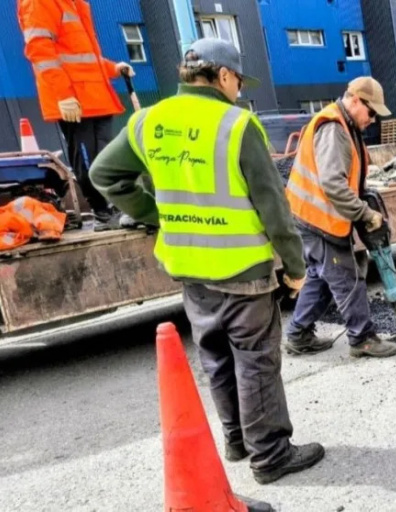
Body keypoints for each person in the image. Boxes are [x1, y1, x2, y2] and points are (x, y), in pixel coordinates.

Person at [88, 38, 324, 485]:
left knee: (217, 357)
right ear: (223, 76)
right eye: (238, 81)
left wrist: (156, 214)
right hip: (242, 269)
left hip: (189, 269)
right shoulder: (237, 125)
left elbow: (103, 175)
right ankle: (270, 455)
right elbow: (274, 208)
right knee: (255, 361)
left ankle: (237, 440)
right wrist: (296, 268)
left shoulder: (147, 121)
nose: (239, 89)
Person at [283, 77, 396, 358]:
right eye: (371, 112)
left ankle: (298, 335)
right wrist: (365, 213)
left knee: (321, 277)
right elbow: (333, 184)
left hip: (312, 215)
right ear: (356, 100)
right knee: (348, 277)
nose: (372, 119)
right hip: (318, 219)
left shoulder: (346, 125)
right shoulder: (334, 128)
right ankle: (362, 339)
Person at [17, 0, 134, 230]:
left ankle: (117, 207)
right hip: (75, 101)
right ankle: (103, 212)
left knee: (107, 157)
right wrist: (63, 94)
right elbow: (40, 51)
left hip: (95, 97)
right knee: (88, 160)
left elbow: (82, 56)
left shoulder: (73, 3)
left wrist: (113, 68)